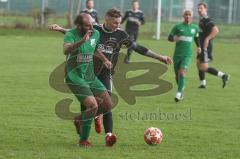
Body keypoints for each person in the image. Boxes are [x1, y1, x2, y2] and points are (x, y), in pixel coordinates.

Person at [49, 8, 172, 147]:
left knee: (107, 105)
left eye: (119, 23)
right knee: (88, 105)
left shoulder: (121, 34)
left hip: (105, 73)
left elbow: (137, 47)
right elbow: (75, 34)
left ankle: (108, 135)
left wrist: (159, 57)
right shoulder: (95, 29)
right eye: (115, 23)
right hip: (89, 70)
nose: (117, 25)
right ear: (106, 19)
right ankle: (84, 132)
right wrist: (60, 29)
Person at [63, 13, 113, 147]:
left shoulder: (95, 33)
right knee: (93, 105)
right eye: (87, 25)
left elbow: (95, 49)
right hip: (75, 77)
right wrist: (81, 41)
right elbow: (66, 50)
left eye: (92, 23)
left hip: (89, 76)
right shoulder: (71, 34)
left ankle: (79, 119)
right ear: (79, 26)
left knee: (108, 105)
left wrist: (105, 60)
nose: (91, 26)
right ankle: (83, 140)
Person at [168, 10, 200, 102]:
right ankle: (181, 88)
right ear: (183, 16)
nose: (188, 16)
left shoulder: (195, 28)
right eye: (186, 14)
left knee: (182, 73)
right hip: (177, 55)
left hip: (187, 55)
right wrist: (175, 38)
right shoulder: (178, 27)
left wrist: (199, 47)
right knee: (177, 76)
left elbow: (197, 37)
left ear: (192, 16)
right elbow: (169, 38)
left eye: (189, 15)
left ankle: (178, 93)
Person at [197, 2, 229, 89]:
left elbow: (216, 30)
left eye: (201, 8)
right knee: (198, 63)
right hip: (201, 46)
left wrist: (207, 39)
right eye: (198, 8)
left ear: (206, 9)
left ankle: (223, 76)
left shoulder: (207, 20)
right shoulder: (202, 19)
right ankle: (203, 84)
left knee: (204, 67)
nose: (199, 10)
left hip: (205, 47)